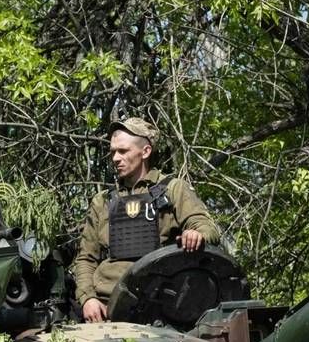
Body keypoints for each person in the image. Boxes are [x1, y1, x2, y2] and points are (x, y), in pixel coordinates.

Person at [72, 117, 221, 323]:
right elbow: (86, 259)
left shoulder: (173, 189)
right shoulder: (103, 201)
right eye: (113, 151)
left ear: (145, 152)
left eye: (123, 151)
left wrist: (197, 234)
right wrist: (87, 298)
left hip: (161, 307)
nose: (115, 158)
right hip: (108, 307)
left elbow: (206, 227)